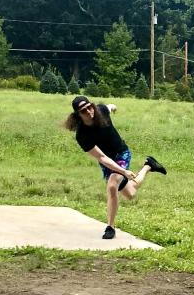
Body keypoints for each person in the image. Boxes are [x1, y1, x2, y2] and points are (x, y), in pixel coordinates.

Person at [64, 95, 167, 239]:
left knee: (112, 185)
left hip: (121, 153)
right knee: (130, 194)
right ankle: (148, 165)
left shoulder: (101, 110)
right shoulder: (82, 135)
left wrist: (114, 107)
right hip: (107, 161)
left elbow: (110, 106)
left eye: (89, 107)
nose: (89, 111)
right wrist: (123, 171)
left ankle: (110, 227)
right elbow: (101, 157)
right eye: (83, 110)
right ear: (78, 115)